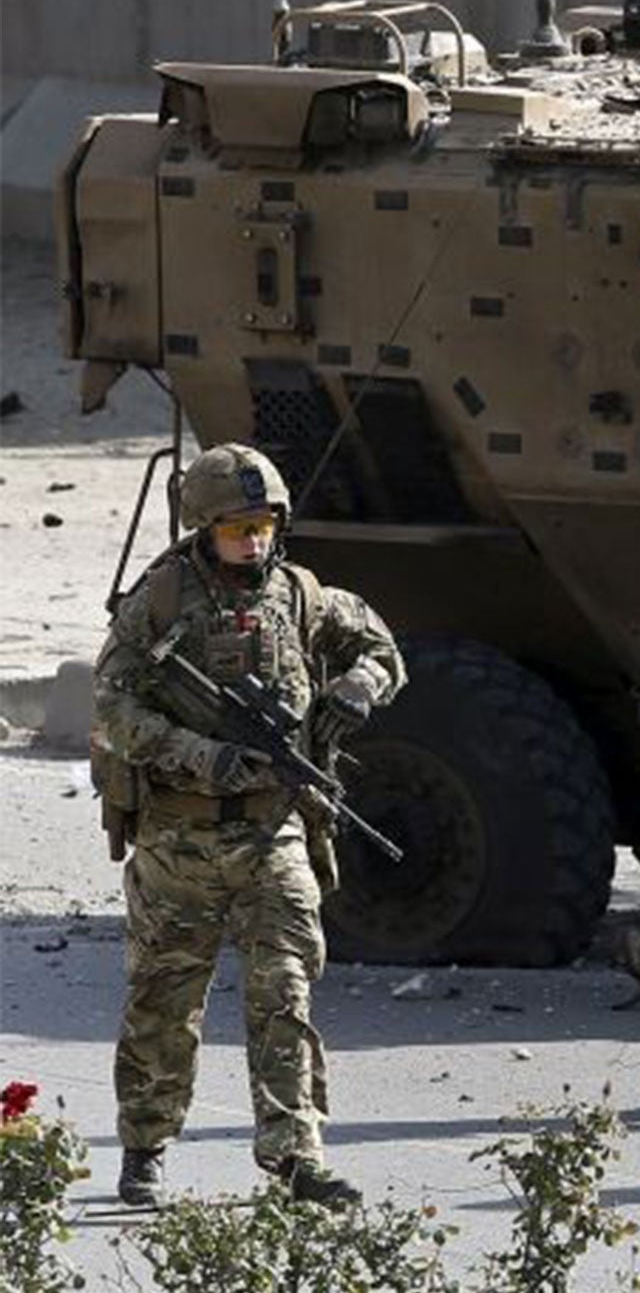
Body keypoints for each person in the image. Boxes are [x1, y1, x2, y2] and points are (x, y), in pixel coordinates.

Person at [95, 442, 405, 1209]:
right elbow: (111, 705)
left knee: (286, 992)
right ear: (204, 529)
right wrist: (198, 754)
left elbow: (379, 645)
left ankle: (295, 1154)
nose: (255, 542)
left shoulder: (299, 595)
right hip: (180, 841)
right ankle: (145, 1148)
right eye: (239, 530)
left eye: (265, 526)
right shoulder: (160, 601)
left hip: (275, 832)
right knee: (165, 1001)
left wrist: (360, 687)